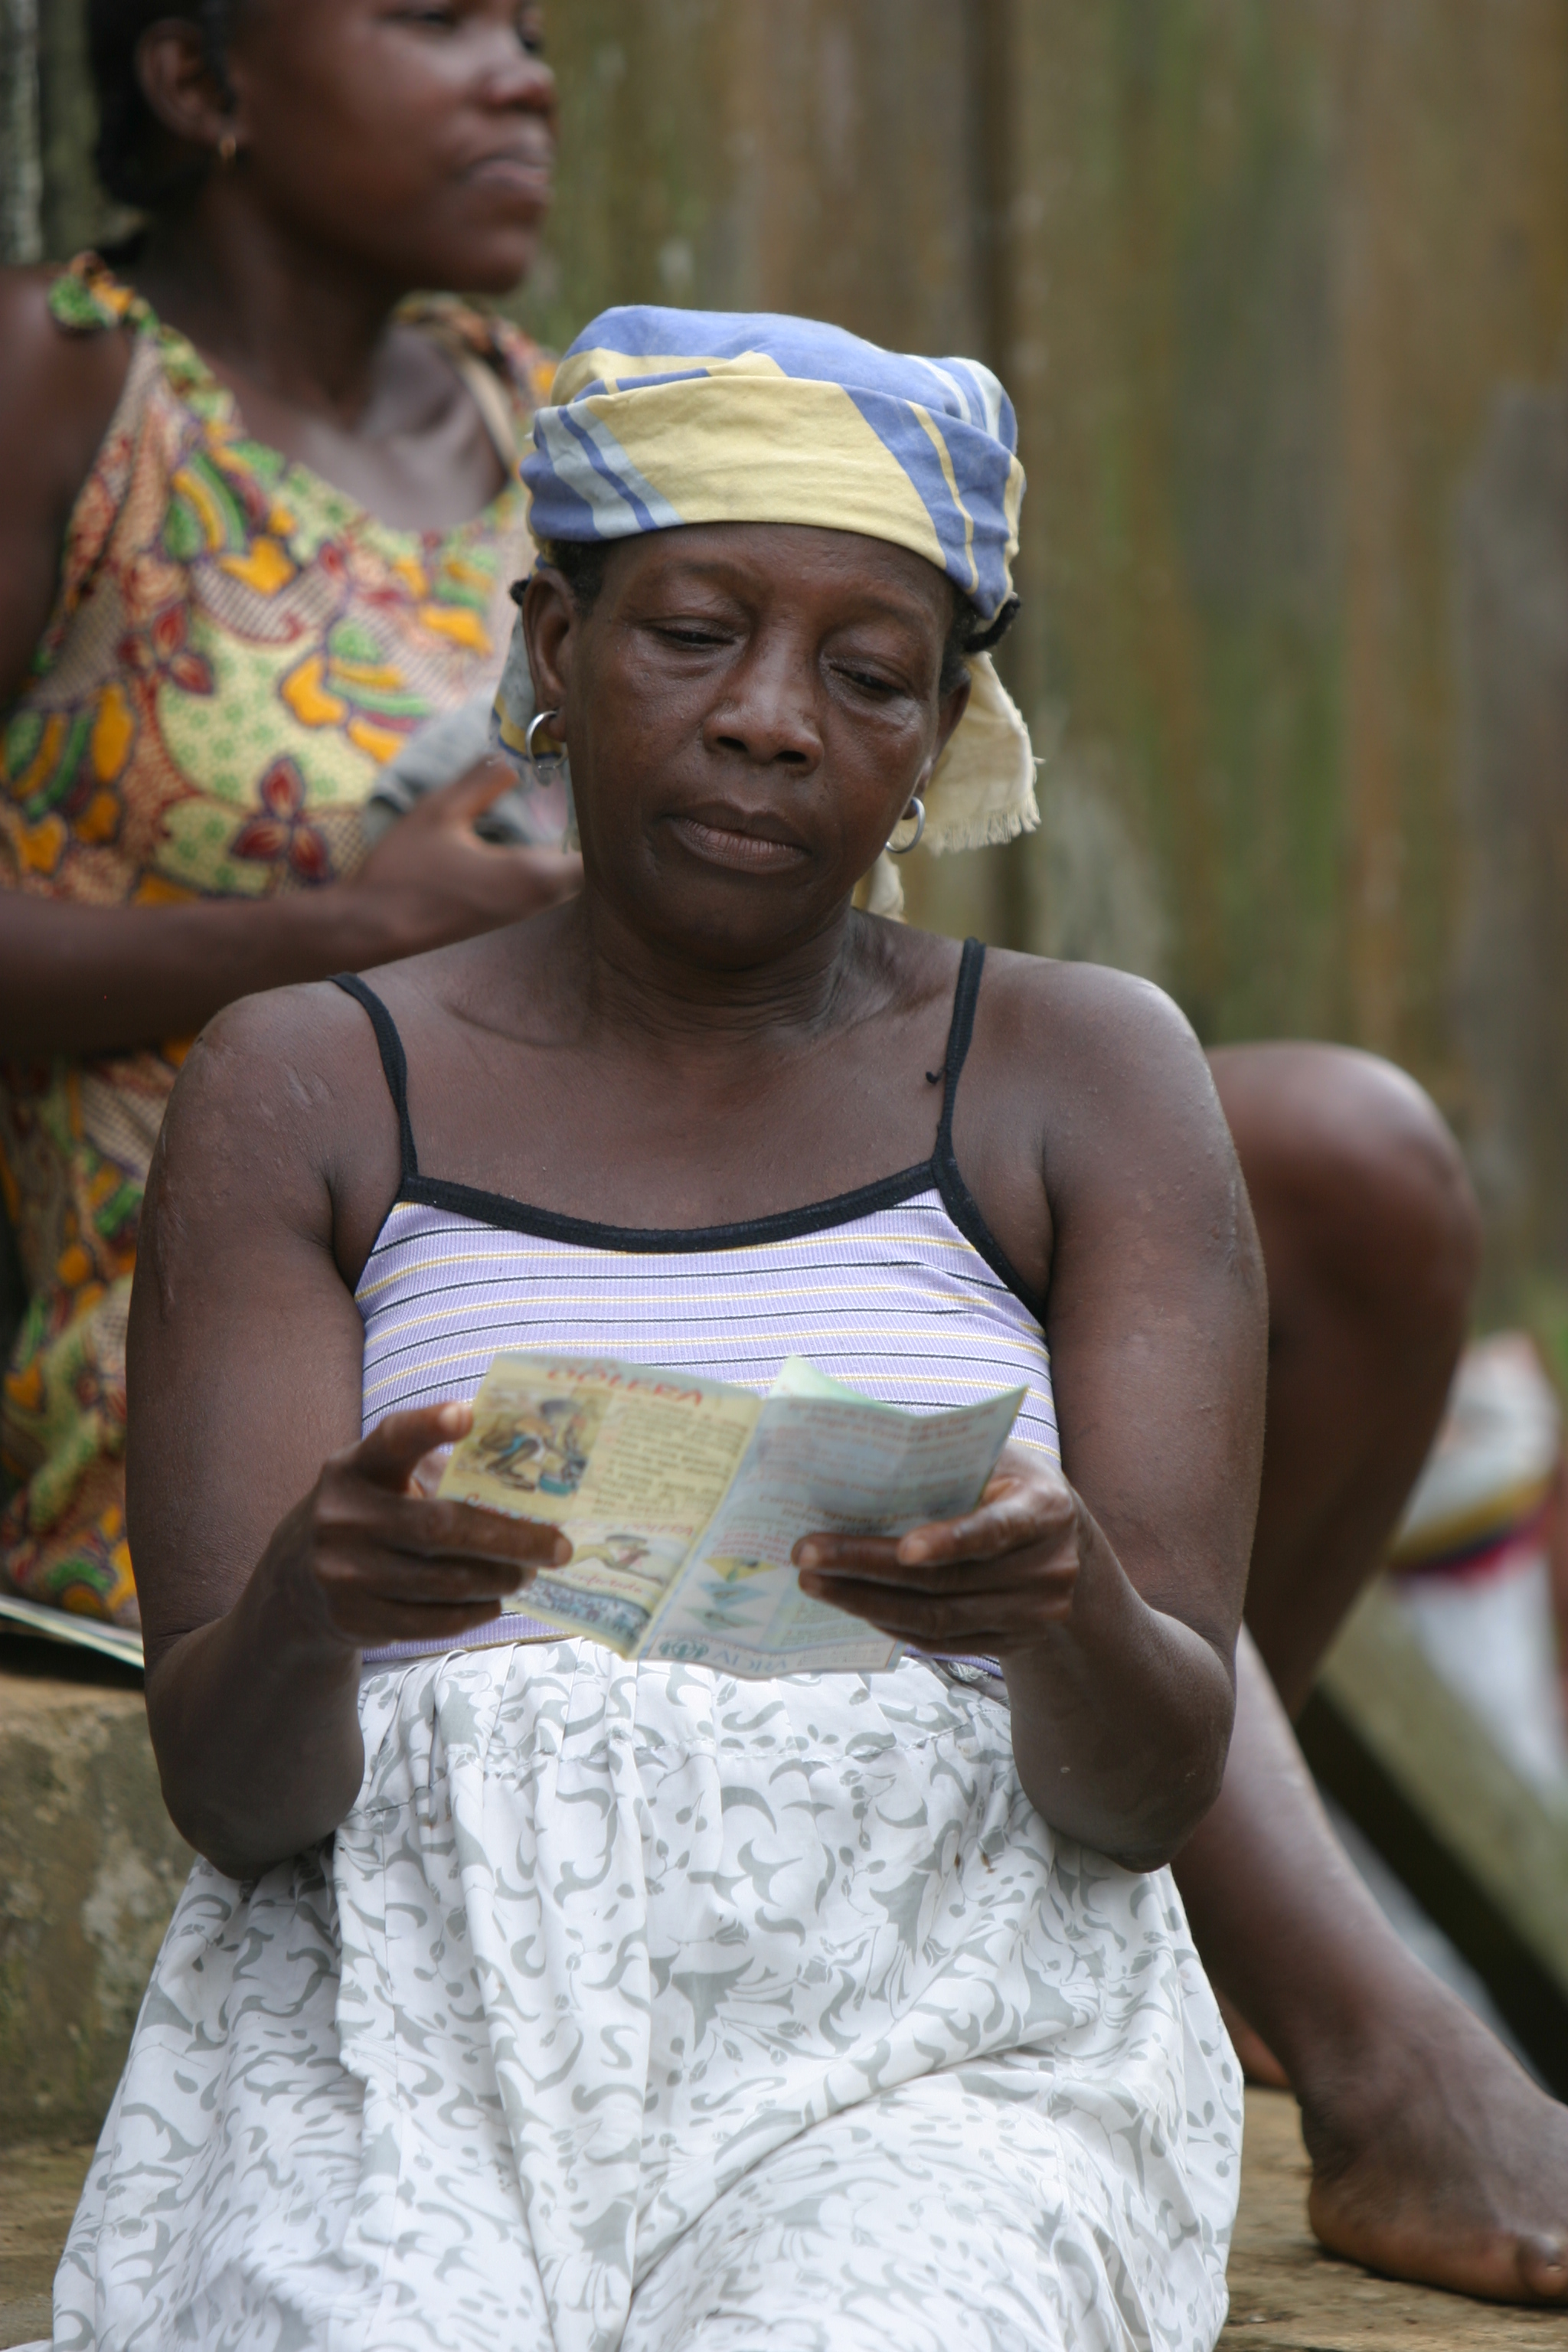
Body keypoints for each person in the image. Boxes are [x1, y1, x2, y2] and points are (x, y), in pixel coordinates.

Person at [50, 309, 1259, 2352]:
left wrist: (1061, 1610)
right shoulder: (312, 1085)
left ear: (941, 730)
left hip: (933, 2042)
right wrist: (318, 1600)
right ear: (550, 647)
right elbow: (238, 1801)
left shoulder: (1082, 1076)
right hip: (416, 2036)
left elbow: (1146, 1796)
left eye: (867, 675)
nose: (771, 718)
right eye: (692, 630)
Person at [0, 0, 578, 1631]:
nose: (523, 72)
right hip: (218, 1399)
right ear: (198, 77)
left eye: (531, 28)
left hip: (606, 1308)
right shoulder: (69, 385)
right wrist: (346, 936)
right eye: (435, 19)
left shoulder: (555, 428)